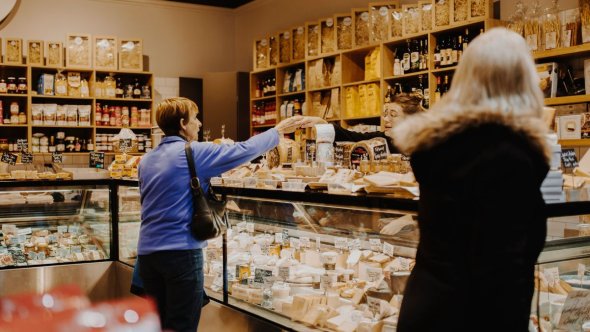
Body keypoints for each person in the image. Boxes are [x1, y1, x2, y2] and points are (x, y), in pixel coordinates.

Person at [391, 28, 550, 330]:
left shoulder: (433, 146)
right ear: (523, 80)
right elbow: (501, 269)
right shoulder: (510, 154)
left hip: (424, 309)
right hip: (475, 316)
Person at [137, 97, 303, 332]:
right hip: (181, 252)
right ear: (183, 123)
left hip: (147, 255)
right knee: (181, 326)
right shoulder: (192, 153)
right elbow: (242, 150)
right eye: (195, 118)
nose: (200, 123)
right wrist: (277, 132)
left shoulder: (146, 160)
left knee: (160, 325)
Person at [299, 92, 425, 152]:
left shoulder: (426, 145)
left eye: (393, 115)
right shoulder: (382, 139)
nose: (386, 119)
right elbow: (352, 136)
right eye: (386, 114)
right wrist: (322, 123)